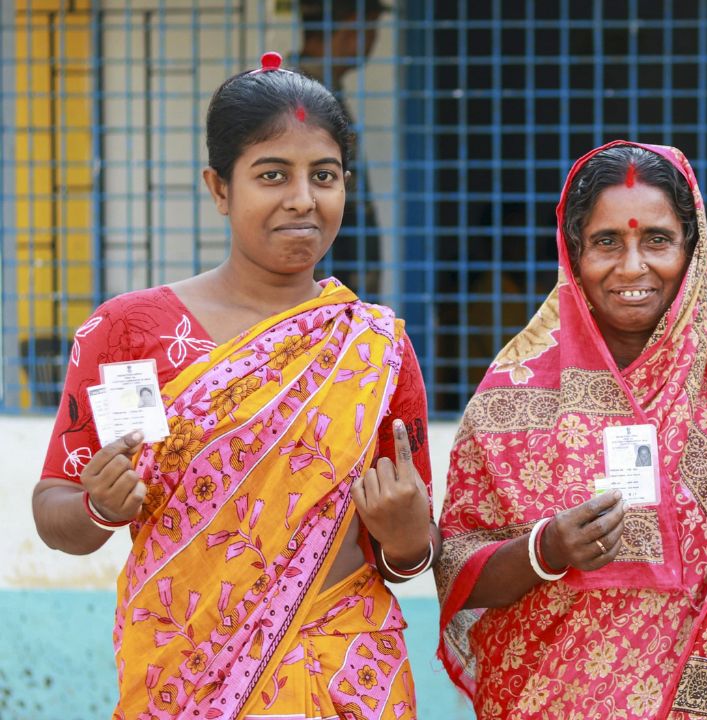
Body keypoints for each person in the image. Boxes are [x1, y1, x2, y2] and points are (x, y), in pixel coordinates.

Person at [31, 53, 439, 719]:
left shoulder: (376, 349)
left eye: (325, 176)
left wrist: (403, 537)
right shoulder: (136, 332)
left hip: (342, 677)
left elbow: (408, 555)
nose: (303, 199)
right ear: (219, 189)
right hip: (184, 673)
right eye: (272, 175)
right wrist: (102, 508)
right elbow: (57, 512)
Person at [435, 141, 707, 719]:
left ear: (691, 250)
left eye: (656, 240)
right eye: (606, 242)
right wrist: (545, 549)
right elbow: (455, 572)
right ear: (573, 254)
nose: (632, 267)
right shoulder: (505, 406)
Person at [298, 0, 386, 296]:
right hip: (322, 283)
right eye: (371, 27)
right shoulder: (300, 99)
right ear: (352, 27)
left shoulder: (317, 90)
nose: (373, 38)